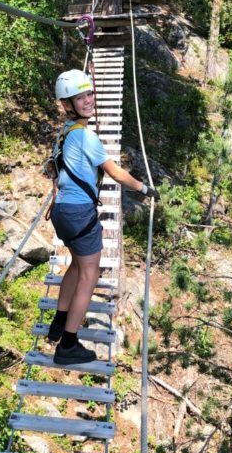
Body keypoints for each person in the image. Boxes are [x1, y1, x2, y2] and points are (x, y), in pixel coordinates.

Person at [46, 69, 158, 365]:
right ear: (67, 104)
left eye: (89, 94)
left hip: (62, 212)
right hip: (79, 212)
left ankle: (59, 322)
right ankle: (68, 345)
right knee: (90, 274)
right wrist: (145, 189)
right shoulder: (86, 136)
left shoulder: (65, 132)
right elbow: (114, 172)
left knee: (76, 265)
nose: (88, 100)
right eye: (79, 97)